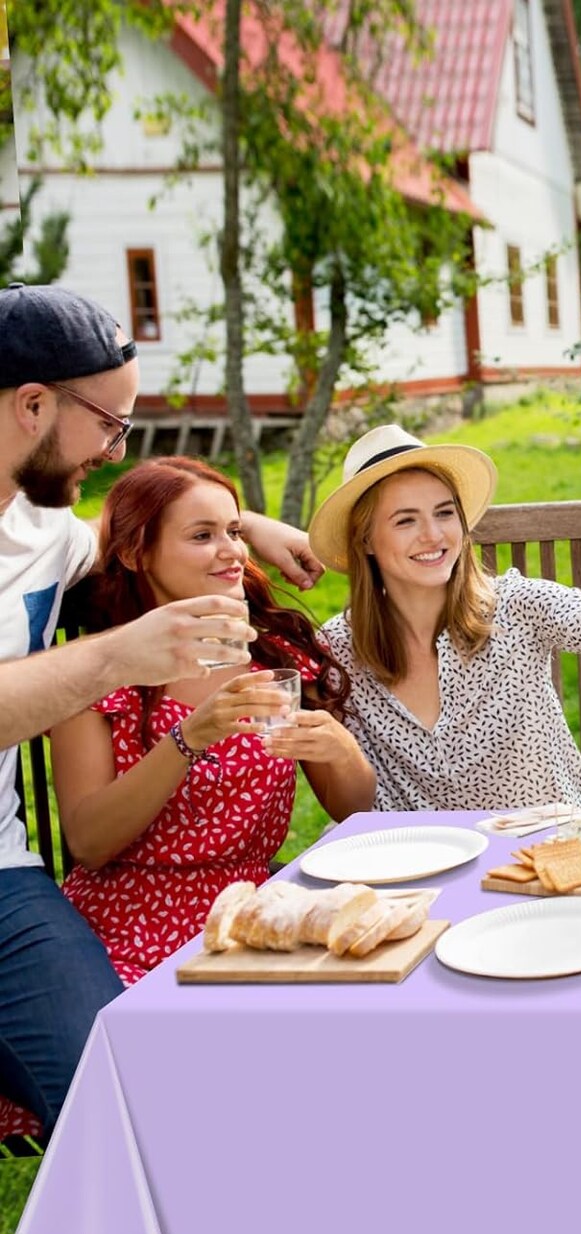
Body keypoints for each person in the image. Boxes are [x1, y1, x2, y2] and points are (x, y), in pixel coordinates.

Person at [0, 282, 324, 1144]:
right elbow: (96, 833)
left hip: (5, 880)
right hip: (112, 889)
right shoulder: (98, 631)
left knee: (125, 1089)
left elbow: (138, 520)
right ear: (33, 405)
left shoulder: (46, 529)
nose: (113, 449)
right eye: (109, 424)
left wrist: (244, 523)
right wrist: (116, 658)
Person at [50, 459, 376, 985]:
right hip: (127, 925)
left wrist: (340, 751)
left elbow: (353, 807)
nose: (232, 552)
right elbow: (88, 843)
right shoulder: (99, 671)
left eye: (234, 532)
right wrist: (189, 738)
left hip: (251, 915)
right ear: (136, 553)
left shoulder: (274, 653)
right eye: (202, 536)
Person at [307, 425, 581, 809]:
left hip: (560, 857)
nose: (433, 535)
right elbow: (351, 803)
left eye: (445, 513)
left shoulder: (514, 604)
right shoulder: (338, 652)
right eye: (406, 520)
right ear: (365, 539)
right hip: (425, 876)